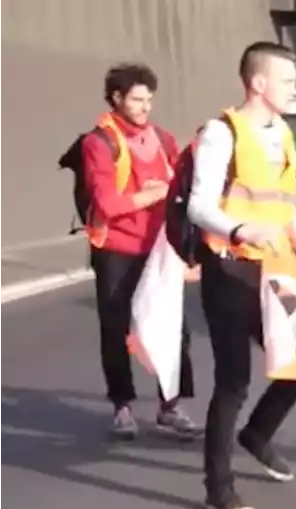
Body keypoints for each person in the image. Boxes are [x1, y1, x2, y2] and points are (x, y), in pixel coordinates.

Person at [187, 41, 296, 509]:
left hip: (276, 269)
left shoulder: (284, 134)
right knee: (233, 380)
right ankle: (218, 490)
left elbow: (285, 205)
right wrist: (241, 229)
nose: (295, 88)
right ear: (259, 83)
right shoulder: (221, 133)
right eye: (288, 80)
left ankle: (258, 434)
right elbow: (199, 204)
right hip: (229, 267)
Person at [74, 63, 199, 440]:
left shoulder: (162, 139)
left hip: (160, 249)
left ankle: (171, 405)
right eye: (137, 100)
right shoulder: (98, 143)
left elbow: (183, 188)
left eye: (149, 100)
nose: (145, 107)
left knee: (174, 328)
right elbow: (108, 204)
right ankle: (122, 407)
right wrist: (155, 193)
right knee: (115, 330)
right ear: (116, 99)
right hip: (116, 249)